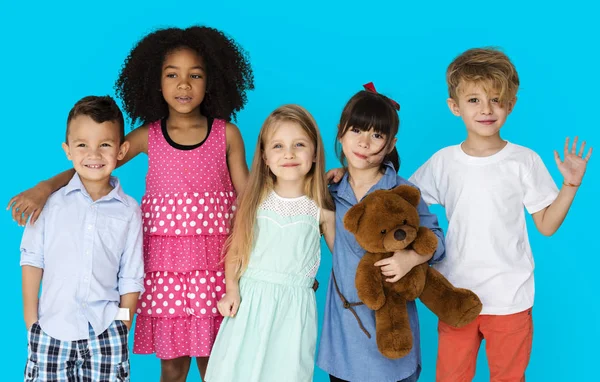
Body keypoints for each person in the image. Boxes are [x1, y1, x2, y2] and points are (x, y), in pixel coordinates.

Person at [9, 26, 254, 382]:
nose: (183, 85)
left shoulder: (226, 134)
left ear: (211, 81)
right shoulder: (147, 136)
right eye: (172, 75)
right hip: (164, 271)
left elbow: (248, 200)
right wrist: (45, 187)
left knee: (217, 364)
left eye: (195, 75)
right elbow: (94, 163)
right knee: (171, 367)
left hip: (215, 268)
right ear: (156, 82)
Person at [409, 47, 592, 381]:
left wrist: (570, 185)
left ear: (511, 104)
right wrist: (346, 178)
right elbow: (401, 200)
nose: (487, 109)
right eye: (474, 100)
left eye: (496, 99)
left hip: (510, 298)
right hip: (456, 296)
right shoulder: (444, 162)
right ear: (455, 107)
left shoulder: (524, 161)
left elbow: (547, 225)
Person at [317, 84, 446, 382]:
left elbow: (438, 241)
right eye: (356, 131)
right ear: (340, 132)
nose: (364, 143)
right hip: (345, 332)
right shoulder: (330, 190)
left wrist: (410, 259)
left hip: (391, 328)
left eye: (376, 135)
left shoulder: (403, 192)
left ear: (390, 144)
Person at [204, 104, 335, 382]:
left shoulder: (322, 212)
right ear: (264, 156)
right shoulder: (255, 201)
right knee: (237, 370)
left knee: (286, 372)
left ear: (314, 154)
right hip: (250, 303)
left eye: (299, 144)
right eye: (278, 146)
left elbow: (346, 257)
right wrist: (231, 290)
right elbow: (236, 249)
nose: (288, 153)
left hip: (294, 310)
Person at [20, 95, 144, 381]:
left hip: (106, 334)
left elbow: (131, 276)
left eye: (105, 144)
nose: (94, 154)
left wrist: (122, 326)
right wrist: (32, 322)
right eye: (82, 145)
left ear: (122, 150)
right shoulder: (49, 204)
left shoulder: (129, 211)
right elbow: (32, 259)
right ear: (68, 151)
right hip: (52, 330)